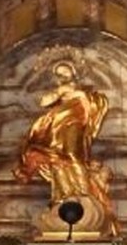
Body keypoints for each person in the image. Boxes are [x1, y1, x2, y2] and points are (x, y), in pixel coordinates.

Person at [14, 61, 112, 212]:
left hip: (76, 123)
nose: (62, 75)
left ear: (73, 71)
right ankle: (64, 195)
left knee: (72, 156)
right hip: (59, 125)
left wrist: (77, 94)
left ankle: (85, 194)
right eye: (58, 73)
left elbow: (95, 104)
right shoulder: (62, 89)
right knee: (59, 159)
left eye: (64, 71)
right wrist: (60, 92)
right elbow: (44, 101)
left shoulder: (86, 91)